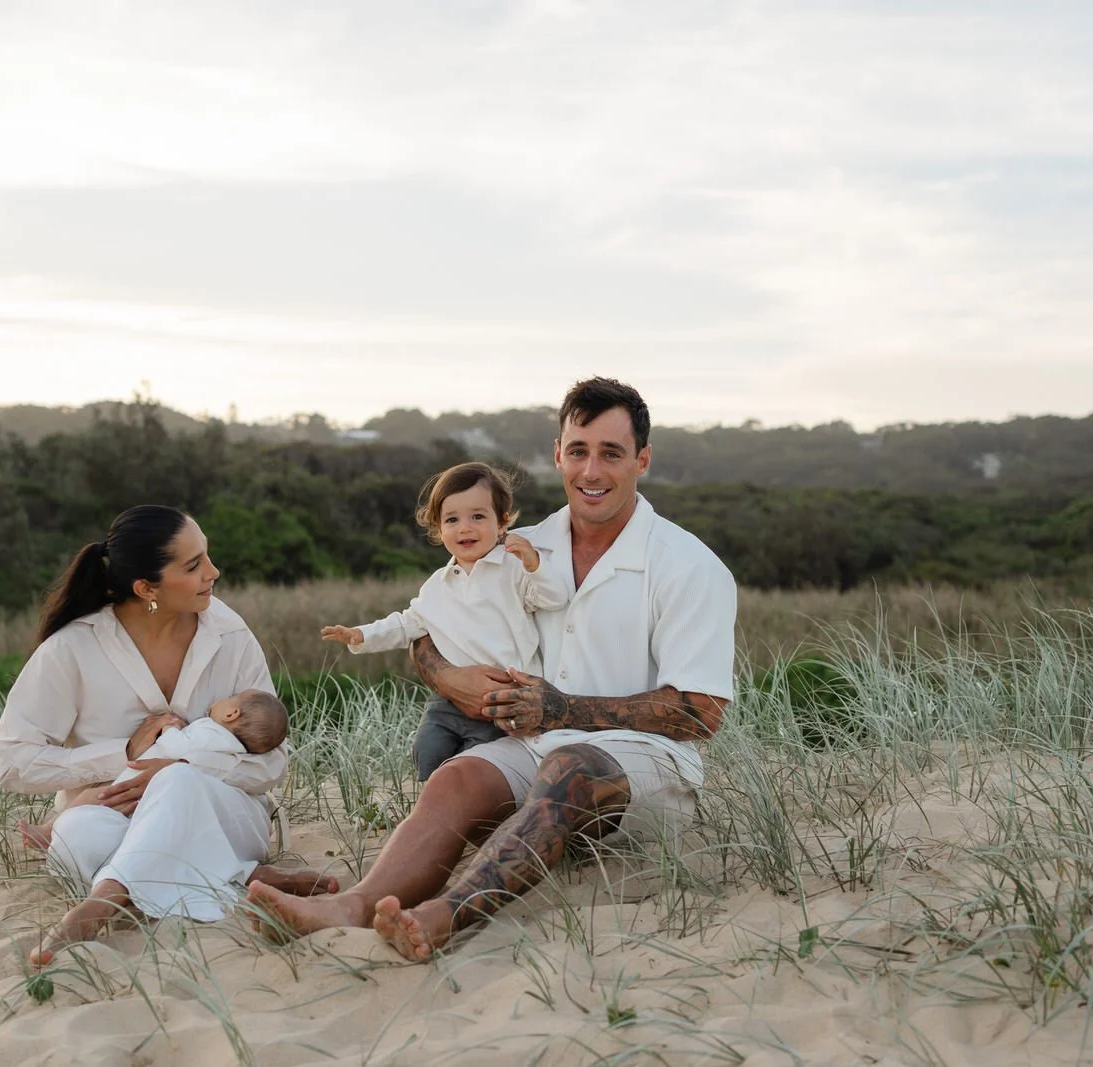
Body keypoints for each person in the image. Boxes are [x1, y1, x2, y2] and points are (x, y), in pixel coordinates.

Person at [249, 377, 736, 961]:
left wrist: (565, 709)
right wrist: (447, 677)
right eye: (578, 450)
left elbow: (702, 714)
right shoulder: (511, 546)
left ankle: (444, 915)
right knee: (456, 775)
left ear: (643, 460)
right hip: (533, 744)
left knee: (571, 763)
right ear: (557, 453)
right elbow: (428, 627)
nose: (591, 470)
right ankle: (355, 905)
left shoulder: (688, 566)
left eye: (612, 453)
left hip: (645, 771)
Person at [0, 505, 333, 966]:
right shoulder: (73, 647)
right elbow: (12, 762)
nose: (214, 572)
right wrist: (124, 756)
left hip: (219, 813)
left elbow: (273, 762)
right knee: (77, 837)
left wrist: (180, 767)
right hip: (111, 815)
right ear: (146, 589)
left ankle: (106, 898)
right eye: (194, 566)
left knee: (178, 783)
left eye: (206, 557)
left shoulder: (229, 635)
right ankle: (247, 875)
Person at [320, 461, 569, 780]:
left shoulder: (513, 569)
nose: (465, 527)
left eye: (478, 516)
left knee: (478, 765)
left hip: (504, 701)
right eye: (452, 519)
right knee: (427, 750)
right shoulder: (437, 585)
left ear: (503, 522)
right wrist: (361, 635)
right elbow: (406, 623)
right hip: (448, 700)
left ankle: (473, 817)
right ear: (439, 530)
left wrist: (535, 564)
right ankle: (434, 808)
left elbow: (554, 599)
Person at [17, 689, 290, 852]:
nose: (223, 699)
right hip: (159, 797)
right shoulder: (235, 747)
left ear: (231, 715)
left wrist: (170, 727)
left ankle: (49, 831)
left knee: (92, 799)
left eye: (231, 698)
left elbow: (175, 748)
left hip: (137, 782)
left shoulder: (210, 730)